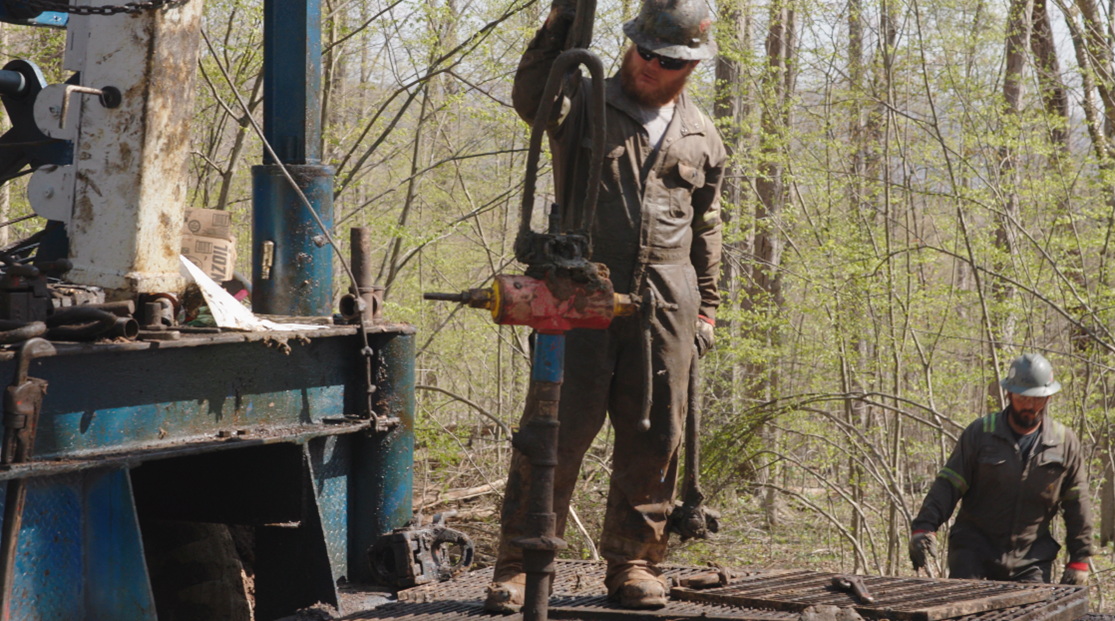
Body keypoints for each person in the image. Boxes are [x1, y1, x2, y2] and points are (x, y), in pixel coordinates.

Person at [484, 0, 725, 612]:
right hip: (581, 286)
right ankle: (520, 563)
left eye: (666, 59)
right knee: (555, 429)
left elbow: (709, 226)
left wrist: (708, 309)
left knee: (656, 435)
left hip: (668, 298)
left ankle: (635, 564)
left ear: (688, 64)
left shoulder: (702, 134)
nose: (650, 65)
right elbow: (533, 95)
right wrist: (560, 21)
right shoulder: (582, 99)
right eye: (644, 51)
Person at [908, 353, 1093, 585]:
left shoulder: (1064, 443)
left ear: (1048, 398)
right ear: (1009, 393)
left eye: (1037, 399)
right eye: (1022, 398)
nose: (1030, 406)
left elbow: (1077, 504)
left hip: (1031, 558)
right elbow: (948, 484)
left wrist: (1080, 558)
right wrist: (925, 526)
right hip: (973, 552)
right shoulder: (980, 433)